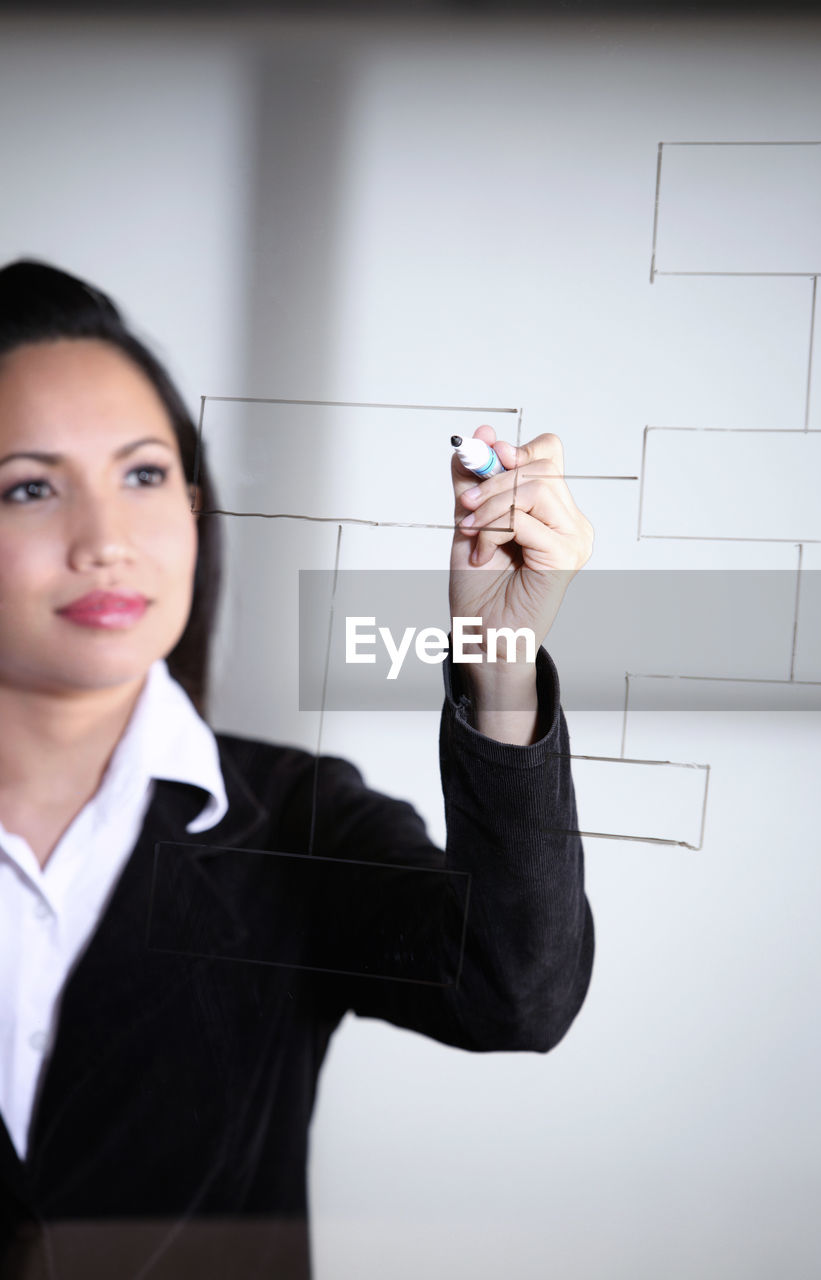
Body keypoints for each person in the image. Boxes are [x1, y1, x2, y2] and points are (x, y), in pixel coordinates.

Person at [0, 259, 595, 1280]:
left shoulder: (292, 819)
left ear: (193, 503)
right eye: (29, 486)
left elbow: (515, 990)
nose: (105, 541)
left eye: (143, 474)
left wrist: (498, 652)